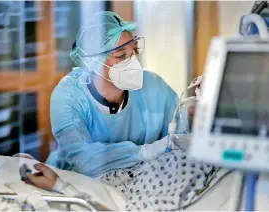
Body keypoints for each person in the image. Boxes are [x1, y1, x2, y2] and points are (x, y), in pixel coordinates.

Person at [46, 11, 197, 178]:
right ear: (92, 62)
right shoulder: (68, 96)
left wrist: (196, 115)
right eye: (121, 56)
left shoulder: (155, 87)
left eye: (134, 51)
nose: (133, 62)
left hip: (138, 186)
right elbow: (83, 159)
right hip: (73, 184)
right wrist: (145, 152)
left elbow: (179, 143)